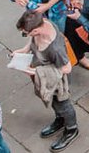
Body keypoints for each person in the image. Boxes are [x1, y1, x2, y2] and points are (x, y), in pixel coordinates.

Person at [13, 10, 77, 151]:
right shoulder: (43, 22)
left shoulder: (55, 48)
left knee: (63, 103)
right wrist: (24, 50)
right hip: (43, 73)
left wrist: (36, 72)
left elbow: (67, 68)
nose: (26, 35)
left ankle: (72, 128)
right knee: (54, 102)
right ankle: (60, 120)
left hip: (56, 81)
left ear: (35, 30)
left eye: (26, 33)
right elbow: (32, 40)